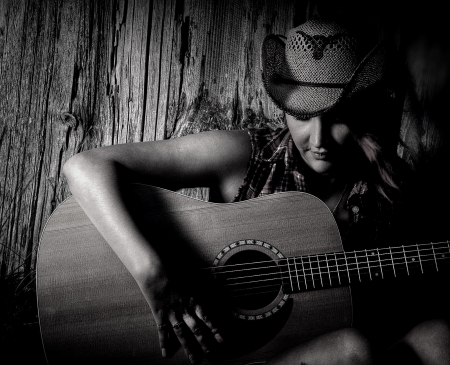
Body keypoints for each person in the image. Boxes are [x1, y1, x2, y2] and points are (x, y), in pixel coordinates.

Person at [63, 19, 449, 365]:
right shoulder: (245, 155)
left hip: (298, 345)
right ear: (282, 108)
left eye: (338, 118)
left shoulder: (388, 185)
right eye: (301, 115)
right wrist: (154, 275)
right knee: (352, 349)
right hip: (211, 350)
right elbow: (84, 167)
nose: (318, 140)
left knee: (438, 337)